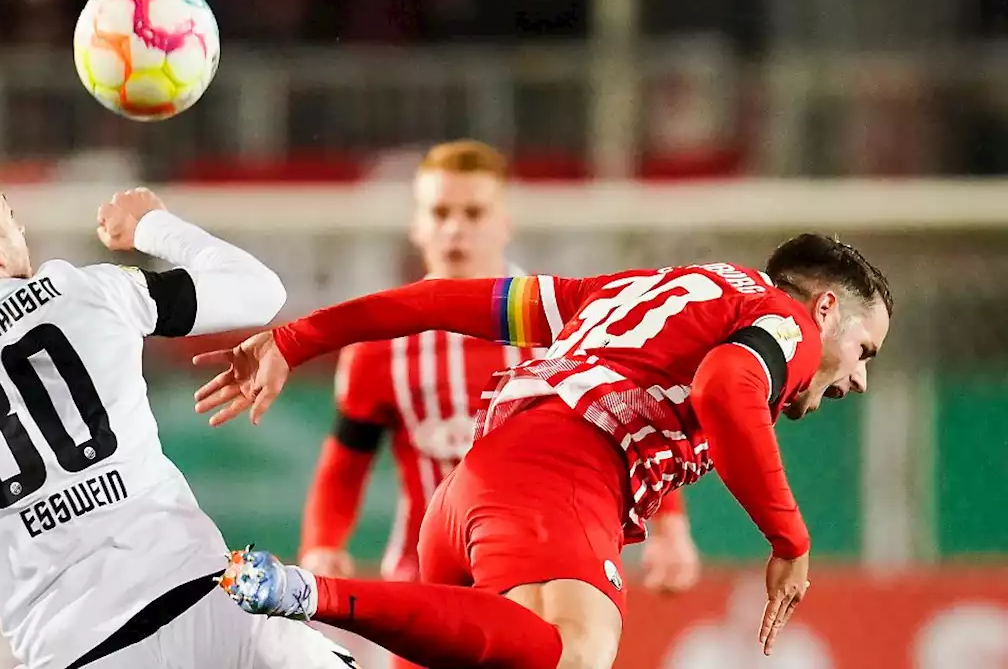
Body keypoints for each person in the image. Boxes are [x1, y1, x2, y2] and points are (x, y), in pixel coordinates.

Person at [194, 234, 892, 669]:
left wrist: (294, 340)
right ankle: (308, 595)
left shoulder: (635, 290)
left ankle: (306, 607)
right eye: (865, 352)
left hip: (474, 493)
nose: (857, 379)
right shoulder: (790, 325)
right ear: (825, 308)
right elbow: (725, 390)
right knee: (578, 649)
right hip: (555, 483)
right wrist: (789, 539)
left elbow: (438, 302)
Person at [0, 150, 358, 669]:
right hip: (214, 610)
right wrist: (153, 227)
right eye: (8, 215)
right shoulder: (86, 290)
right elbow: (261, 292)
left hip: (78, 651)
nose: (19, 228)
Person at [300, 141, 699, 669]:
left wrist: (671, 529)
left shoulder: (560, 324)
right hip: (429, 583)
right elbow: (344, 464)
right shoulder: (381, 350)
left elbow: (623, 423)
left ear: (504, 222)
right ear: (417, 225)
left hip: (542, 570)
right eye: (440, 213)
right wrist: (322, 543)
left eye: (473, 213)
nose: (455, 229)